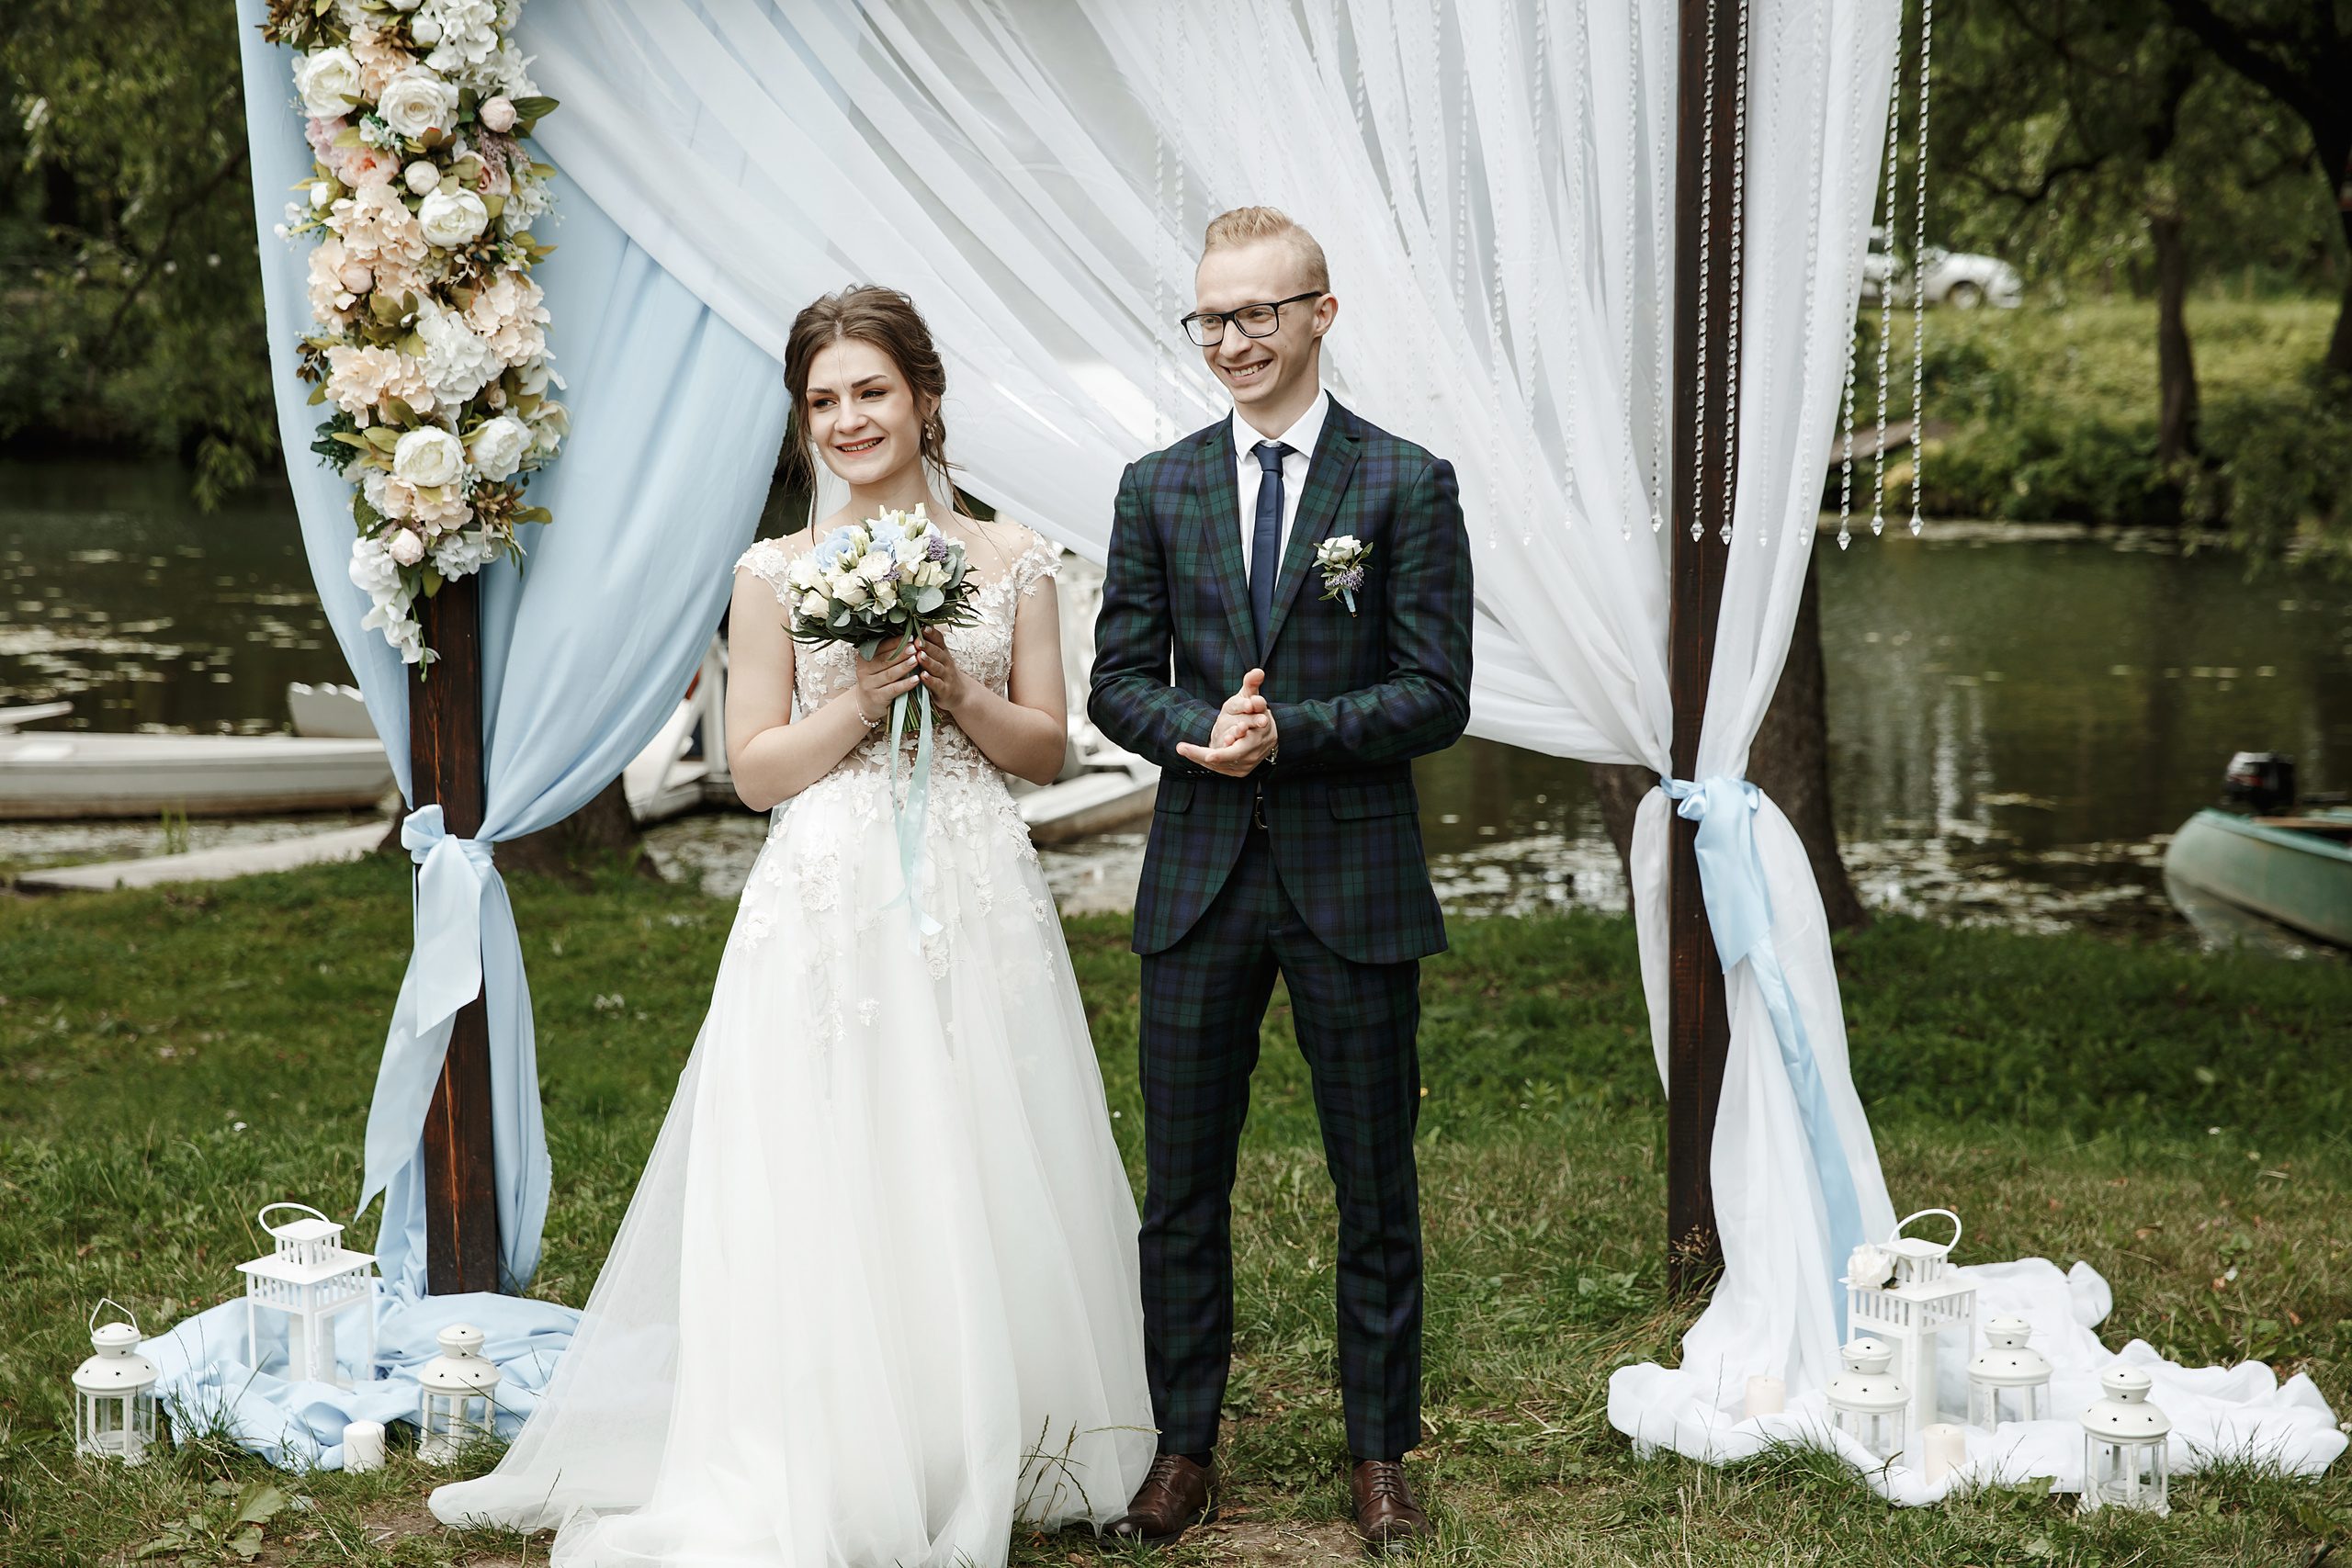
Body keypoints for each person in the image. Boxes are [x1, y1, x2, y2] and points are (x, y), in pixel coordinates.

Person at [429, 285, 1154, 1565]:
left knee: (980, 1140)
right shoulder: (773, 573)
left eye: (871, 391)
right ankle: (827, 1433)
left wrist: (952, 692)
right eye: (822, 401)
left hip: (976, 881)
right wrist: (870, 697)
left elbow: (1046, 747)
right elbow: (755, 767)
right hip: (827, 888)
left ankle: (984, 1426)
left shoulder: (1013, 557)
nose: (848, 419)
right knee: (831, 1152)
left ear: (926, 399)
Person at [1088, 208, 1473, 1551]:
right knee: (1183, 1187)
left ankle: (1379, 1459)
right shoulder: (1158, 486)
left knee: (1377, 1185)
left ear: (1321, 312)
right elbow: (1116, 679)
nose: (1233, 341)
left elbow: (1436, 694)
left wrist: (1288, 734)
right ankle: (1181, 1451)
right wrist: (1198, 731)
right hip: (1198, 885)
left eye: (1258, 313)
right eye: (1211, 318)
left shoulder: (1404, 484)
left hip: (1352, 883)